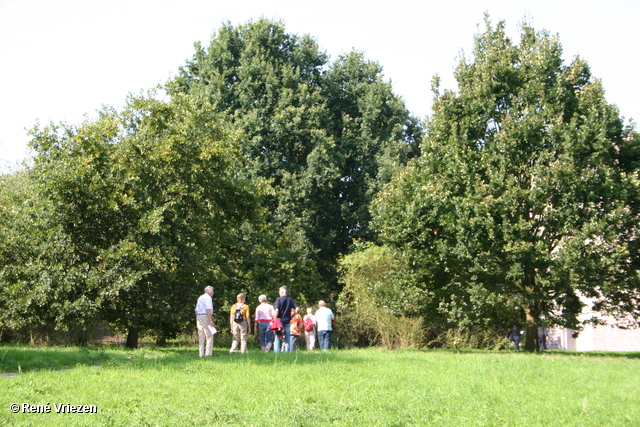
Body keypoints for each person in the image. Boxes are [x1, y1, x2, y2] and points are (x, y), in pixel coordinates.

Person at [272, 286, 298, 353]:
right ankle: (287, 352)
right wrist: (292, 315)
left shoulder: (279, 300)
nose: (279, 293)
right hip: (287, 321)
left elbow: (277, 310)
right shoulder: (290, 300)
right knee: (287, 337)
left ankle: (277, 352)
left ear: (282, 292)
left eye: (280, 292)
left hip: (279, 321)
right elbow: (297, 308)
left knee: (278, 337)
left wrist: (274, 318)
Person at [195, 286, 216, 357]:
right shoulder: (208, 298)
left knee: (201, 335)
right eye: (212, 290)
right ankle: (208, 354)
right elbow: (208, 309)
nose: (213, 292)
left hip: (199, 316)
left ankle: (201, 354)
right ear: (207, 291)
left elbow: (196, 310)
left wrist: (197, 318)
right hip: (205, 316)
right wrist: (210, 320)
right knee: (209, 335)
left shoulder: (200, 297)